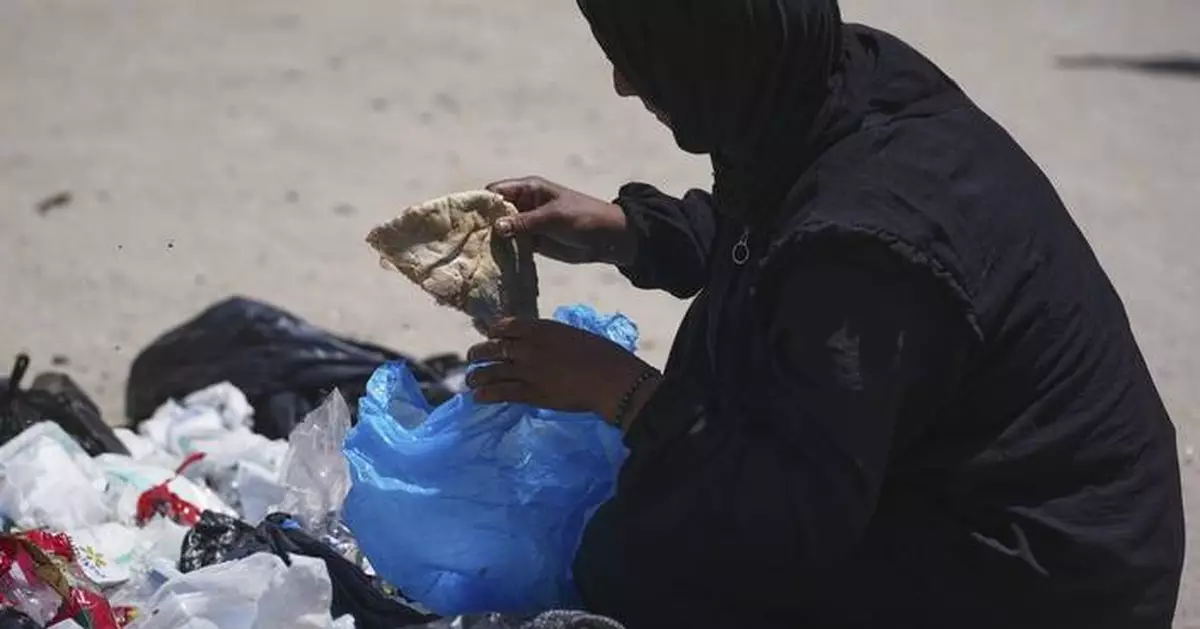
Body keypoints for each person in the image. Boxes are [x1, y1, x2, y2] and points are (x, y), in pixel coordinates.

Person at [465, 1, 1185, 627]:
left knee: (647, 564)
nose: (624, 84)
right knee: (650, 522)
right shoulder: (832, 75)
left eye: (640, 58)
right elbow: (781, 232)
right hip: (1026, 514)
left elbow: (784, 516)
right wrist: (632, 230)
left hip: (1045, 584)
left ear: (714, 49)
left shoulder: (865, 248)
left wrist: (621, 391)